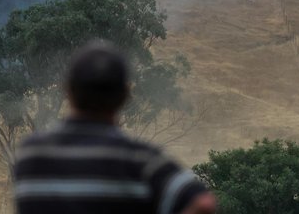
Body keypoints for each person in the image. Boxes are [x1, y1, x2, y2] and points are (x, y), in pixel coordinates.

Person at [13, 42, 216, 214]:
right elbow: (204, 204)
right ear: (125, 96)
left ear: (68, 90)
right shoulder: (141, 160)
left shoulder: (31, 155)